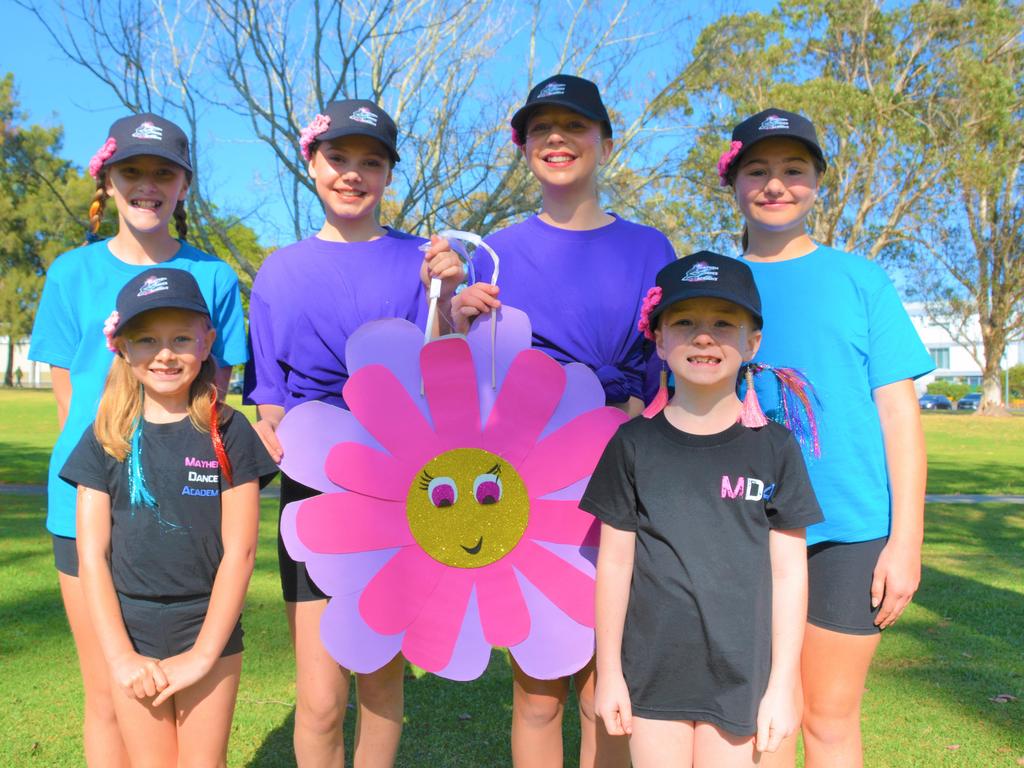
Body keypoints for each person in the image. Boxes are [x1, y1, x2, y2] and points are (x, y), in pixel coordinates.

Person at [444, 74, 675, 768]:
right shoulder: (495, 252)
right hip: (532, 486)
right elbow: (470, 383)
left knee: (608, 685)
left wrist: (642, 409)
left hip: (626, 477)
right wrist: (457, 319)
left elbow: (670, 364)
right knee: (539, 691)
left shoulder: (649, 247)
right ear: (522, 148)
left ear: (604, 141)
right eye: (541, 129)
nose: (557, 140)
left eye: (574, 126)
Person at [243, 99, 463, 767]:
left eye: (372, 162)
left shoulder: (423, 261)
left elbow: (449, 373)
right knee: (317, 697)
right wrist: (272, 427)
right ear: (313, 163)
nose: (353, 174)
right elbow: (270, 399)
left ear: (389, 176)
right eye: (339, 158)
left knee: (381, 677)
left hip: (401, 492)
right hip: (315, 490)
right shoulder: (279, 270)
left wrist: (451, 299)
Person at [28, 114, 247, 767]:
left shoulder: (215, 279)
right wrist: (114, 468)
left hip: (183, 512)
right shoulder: (71, 273)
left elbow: (218, 397)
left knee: (184, 693)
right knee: (107, 690)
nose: (147, 186)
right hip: (86, 507)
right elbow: (69, 394)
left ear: (184, 184)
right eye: (133, 171)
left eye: (163, 172)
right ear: (110, 179)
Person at [717, 108, 934, 767]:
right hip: (743, 527)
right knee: (765, 719)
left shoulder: (862, 280)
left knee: (830, 719)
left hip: (850, 532)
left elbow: (900, 416)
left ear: (817, 181)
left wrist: (907, 542)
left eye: (793, 170)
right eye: (757, 170)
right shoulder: (713, 284)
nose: (775, 185)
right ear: (733, 182)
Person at [586, 251, 824, 768]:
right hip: (652, 674)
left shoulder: (776, 448)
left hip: (744, 678)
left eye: (723, 323)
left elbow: (788, 574)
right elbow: (615, 564)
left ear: (751, 341)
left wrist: (784, 682)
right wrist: (610, 673)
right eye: (685, 322)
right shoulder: (632, 445)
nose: (703, 337)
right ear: (660, 338)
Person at [59, 268, 277, 766]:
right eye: (148, 340)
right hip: (131, 629)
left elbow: (240, 553)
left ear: (207, 342)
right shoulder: (106, 435)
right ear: (122, 347)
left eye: (181, 337)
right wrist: (120, 656)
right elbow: (91, 555)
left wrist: (203, 654)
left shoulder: (230, 431)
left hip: (208, 626)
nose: (165, 353)